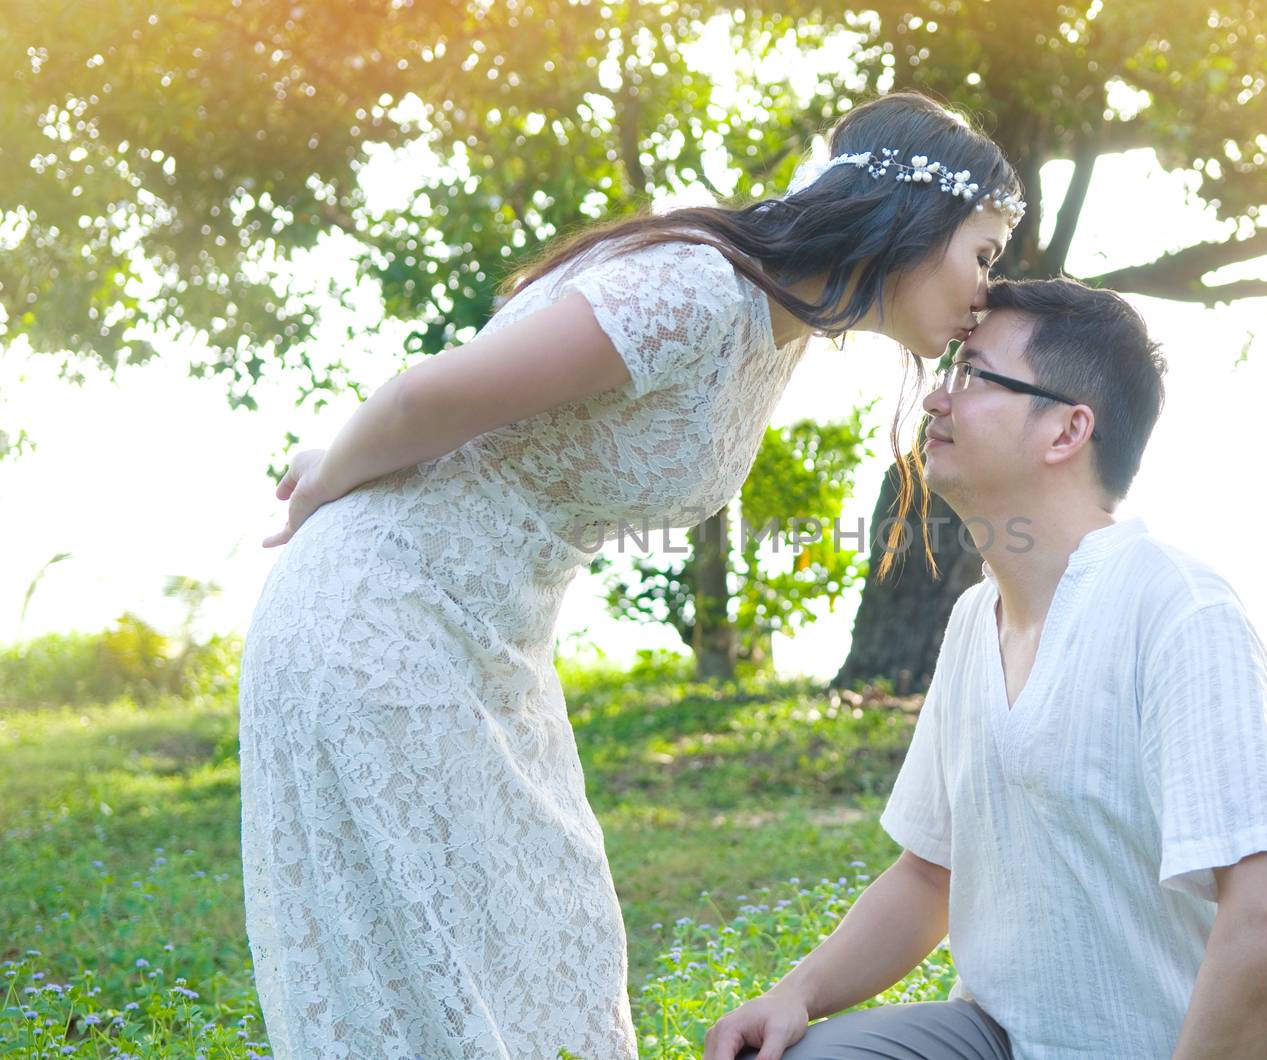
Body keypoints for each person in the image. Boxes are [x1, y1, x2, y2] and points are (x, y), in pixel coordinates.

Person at [236, 89, 1025, 1060]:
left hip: (490, 638)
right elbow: (429, 392)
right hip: (382, 612)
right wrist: (326, 476)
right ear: (913, 220)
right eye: (982, 255)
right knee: (435, 961)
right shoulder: (698, 289)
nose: (986, 288)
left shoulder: (774, 334)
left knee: (551, 930)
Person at [704, 278, 1267, 1060]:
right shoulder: (974, 621)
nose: (937, 400)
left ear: (1066, 432)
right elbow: (928, 877)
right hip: (1005, 1039)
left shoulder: (1179, 609)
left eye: (974, 374)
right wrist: (792, 995)